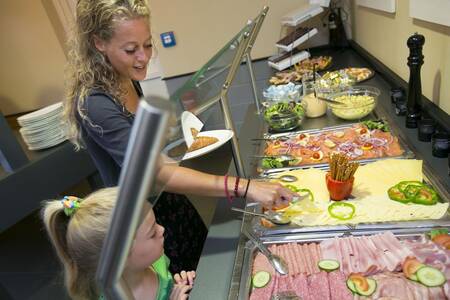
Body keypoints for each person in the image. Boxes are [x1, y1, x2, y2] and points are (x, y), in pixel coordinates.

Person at [63, 0, 297, 273]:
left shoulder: (125, 75)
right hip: (143, 221)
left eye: (148, 44)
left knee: (202, 269)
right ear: (99, 43)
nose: (143, 57)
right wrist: (245, 187)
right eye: (130, 49)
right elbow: (155, 172)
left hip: (171, 200)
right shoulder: (96, 102)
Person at [42, 188, 195, 300]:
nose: (162, 230)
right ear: (119, 259)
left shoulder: (155, 262)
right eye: (152, 233)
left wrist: (177, 286)